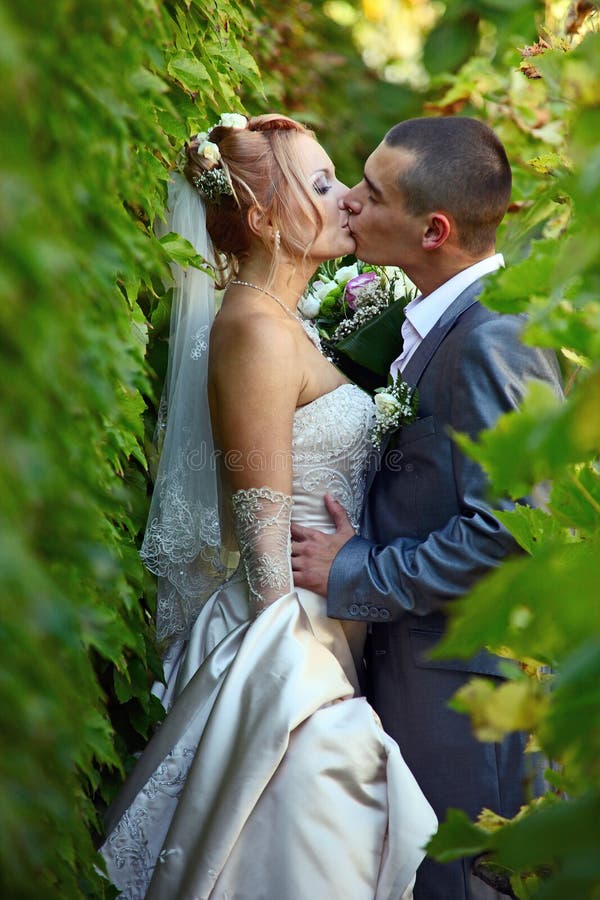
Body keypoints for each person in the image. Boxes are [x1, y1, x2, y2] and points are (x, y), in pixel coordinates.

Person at [100, 113, 436, 900]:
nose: (348, 197)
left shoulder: (289, 324)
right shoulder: (250, 330)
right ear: (260, 219)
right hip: (286, 642)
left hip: (329, 623)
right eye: (322, 185)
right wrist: (296, 681)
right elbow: (261, 540)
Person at [290, 116, 563, 900]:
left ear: (433, 229)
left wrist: (361, 570)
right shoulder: (445, 319)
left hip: (461, 697)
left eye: (370, 195)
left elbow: (514, 526)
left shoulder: (495, 338)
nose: (347, 203)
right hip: (416, 675)